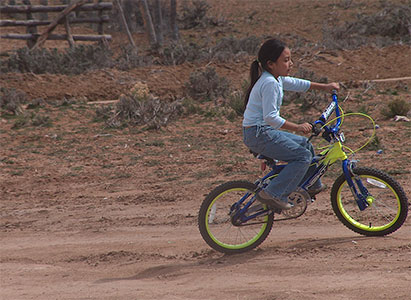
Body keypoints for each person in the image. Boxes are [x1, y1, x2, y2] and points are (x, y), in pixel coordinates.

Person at [243, 38, 340, 210]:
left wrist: (324, 87)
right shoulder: (270, 83)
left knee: (305, 144)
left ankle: (308, 186)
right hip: (259, 134)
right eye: (286, 60)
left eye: (290, 59)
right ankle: (272, 194)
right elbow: (271, 118)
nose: (291, 64)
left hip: (262, 132)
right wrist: (298, 127)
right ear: (271, 64)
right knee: (302, 157)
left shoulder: (276, 78)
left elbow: (297, 83)